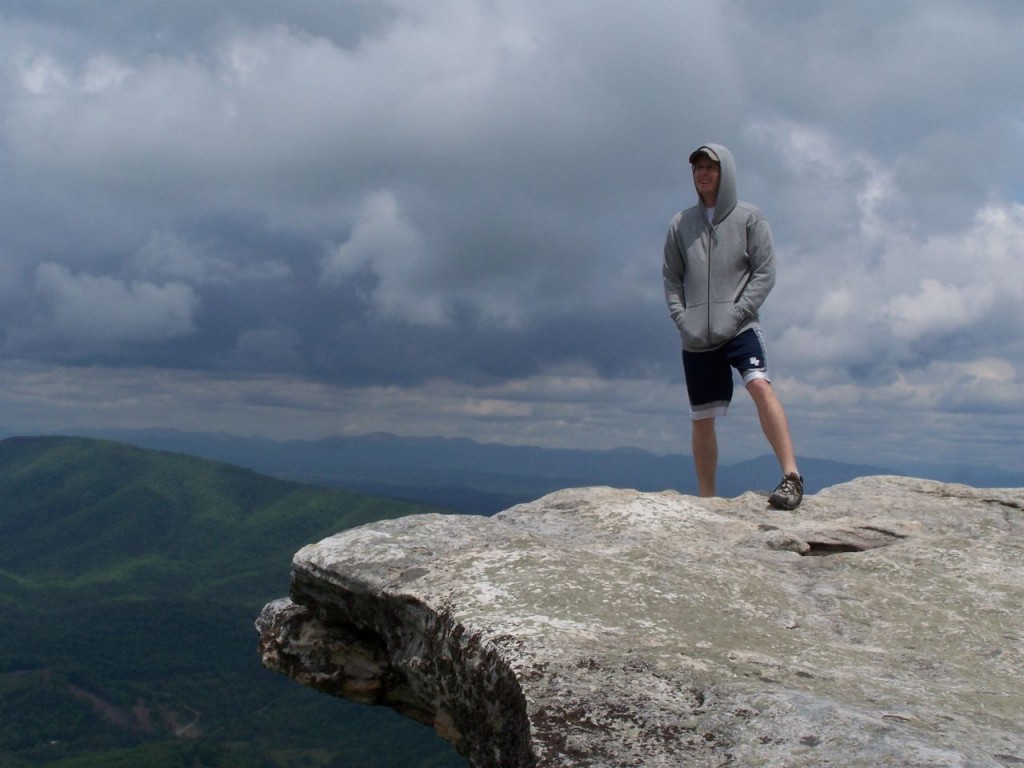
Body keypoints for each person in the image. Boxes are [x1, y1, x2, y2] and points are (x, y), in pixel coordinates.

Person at [662, 142, 803, 509]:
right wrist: (683, 320)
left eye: (711, 167)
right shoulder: (681, 224)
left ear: (726, 172)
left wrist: (739, 312)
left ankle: (791, 477)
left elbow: (765, 272)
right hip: (697, 336)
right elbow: (671, 279)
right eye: (698, 168)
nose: (704, 174)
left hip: (740, 327)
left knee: (759, 385)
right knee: (701, 417)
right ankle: (707, 500)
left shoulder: (749, 218)